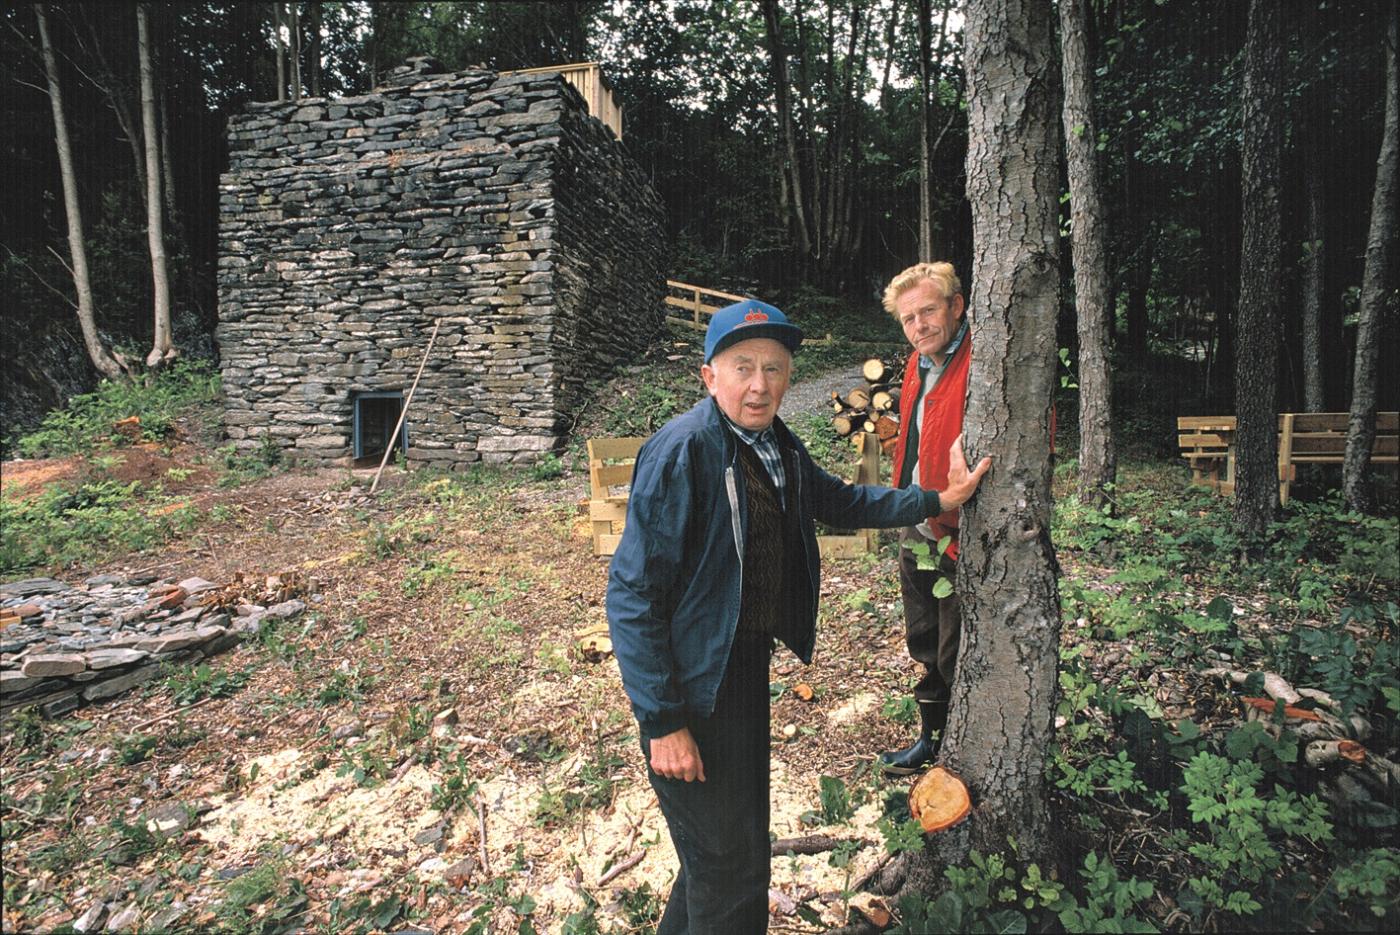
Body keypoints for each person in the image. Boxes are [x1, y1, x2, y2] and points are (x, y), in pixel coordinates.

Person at [606, 297, 990, 933]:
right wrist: (663, 720)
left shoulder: (773, 443)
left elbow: (838, 499)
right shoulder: (682, 451)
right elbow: (633, 595)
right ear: (710, 376)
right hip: (693, 683)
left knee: (728, 852)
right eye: (743, 367)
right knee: (728, 864)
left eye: (776, 369)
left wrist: (935, 497)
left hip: (743, 666)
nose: (761, 385)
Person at [877, 261, 975, 776]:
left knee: (956, 640)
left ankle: (961, 751)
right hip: (916, 515)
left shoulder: (983, 360)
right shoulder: (918, 364)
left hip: (963, 527)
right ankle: (931, 739)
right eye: (909, 318)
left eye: (929, 312)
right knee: (922, 631)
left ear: (956, 306)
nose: (919, 326)